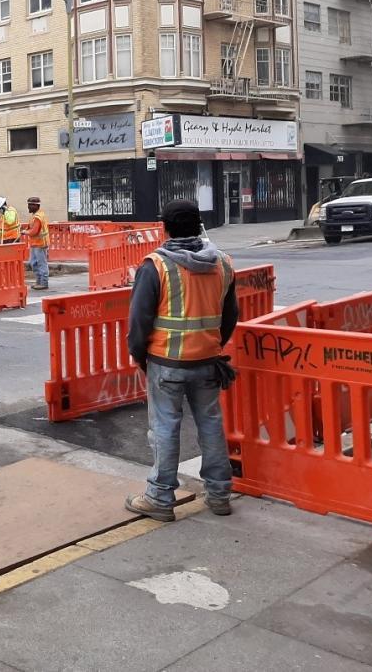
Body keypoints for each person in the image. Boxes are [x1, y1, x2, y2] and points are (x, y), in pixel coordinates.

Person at [125, 198, 239, 522]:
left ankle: (160, 496)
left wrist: (138, 354)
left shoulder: (156, 266)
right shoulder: (224, 263)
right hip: (207, 360)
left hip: (167, 363)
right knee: (211, 425)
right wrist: (212, 343)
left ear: (166, 228)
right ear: (199, 225)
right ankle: (219, 494)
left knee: (164, 428)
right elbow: (230, 315)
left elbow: (139, 322)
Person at [25, 196, 49, 290]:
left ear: (36, 206)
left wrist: (25, 232)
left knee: (41, 263)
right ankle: (38, 281)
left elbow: (34, 231)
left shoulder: (38, 217)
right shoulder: (34, 216)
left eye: (30, 205)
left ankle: (44, 282)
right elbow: (30, 228)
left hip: (41, 244)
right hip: (35, 244)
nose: (28, 207)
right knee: (33, 262)